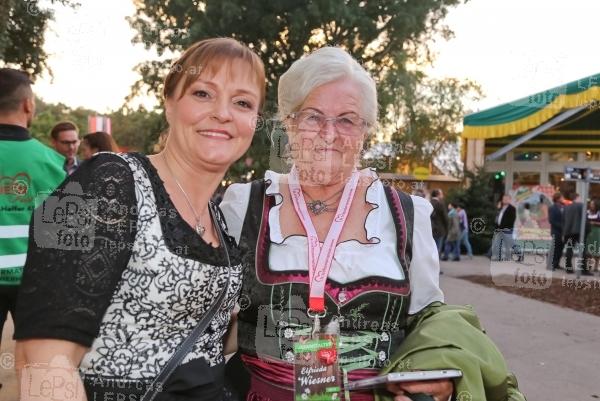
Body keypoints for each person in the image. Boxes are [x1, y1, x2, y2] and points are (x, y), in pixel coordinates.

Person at [221, 47, 525, 401]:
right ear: (288, 123)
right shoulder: (245, 206)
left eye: (347, 119)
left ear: (366, 131)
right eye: (313, 116)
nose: (330, 134)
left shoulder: (410, 216)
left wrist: (435, 375)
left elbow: (427, 323)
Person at [14, 37, 266, 401]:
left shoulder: (219, 216)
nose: (223, 113)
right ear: (169, 104)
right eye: (202, 94)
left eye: (242, 102)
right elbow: (39, 357)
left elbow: (197, 331)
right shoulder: (104, 180)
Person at [0, 68, 66, 389]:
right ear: (28, 105)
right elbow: (67, 234)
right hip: (35, 283)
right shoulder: (51, 162)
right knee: (37, 368)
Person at [562, 193, 590, 275]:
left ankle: (568, 268)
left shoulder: (566, 207)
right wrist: (588, 230)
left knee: (569, 249)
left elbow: (563, 220)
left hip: (569, 231)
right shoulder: (581, 206)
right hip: (579, 232)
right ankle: (583, 269)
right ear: (577, 198)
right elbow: (585, 219)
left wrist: (564, 232)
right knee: (582, 250)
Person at [491, 194, 517, 261]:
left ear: (509, 200)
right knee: (497, 243)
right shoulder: (501, 208)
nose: (504, 200)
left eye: (506, 199)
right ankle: (498, 257)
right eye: (503, 199)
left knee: (510, 244)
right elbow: (498, 218)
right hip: (499, 229)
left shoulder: (512, 208)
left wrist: (506, 227)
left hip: (507, 229)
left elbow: (512, 220)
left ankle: (519, 254)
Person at [548, 192, 565, 270]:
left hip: (563, 232)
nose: (563, 199)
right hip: (556, 231)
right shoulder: (552, 208)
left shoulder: (563, 207)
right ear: (558, 199)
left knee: (560, 248)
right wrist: (561, 226)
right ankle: (552, 265)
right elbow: (551, 220)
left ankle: (556, 264)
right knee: (555, 249)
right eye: (562, 197)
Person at [429, 189, 448, 255]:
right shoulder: (440, 204)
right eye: (441, 194)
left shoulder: (428, 202)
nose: (442, 195)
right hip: (440, 229)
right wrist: (447, 228)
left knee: (431, 246)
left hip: (430, 228)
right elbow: (445, 218)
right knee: (438, 247)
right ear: (438, 195)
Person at [585, 199, 600, 274]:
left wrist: (594, 223)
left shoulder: (599, 213)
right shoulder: (587, 212)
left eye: (592, 204)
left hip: (597, 232)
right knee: (589, 249)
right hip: (589, 232)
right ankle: (589, 265)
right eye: (590, 204)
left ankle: (596, 267)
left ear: (596, 205)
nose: (591, 205)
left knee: (596, 249)